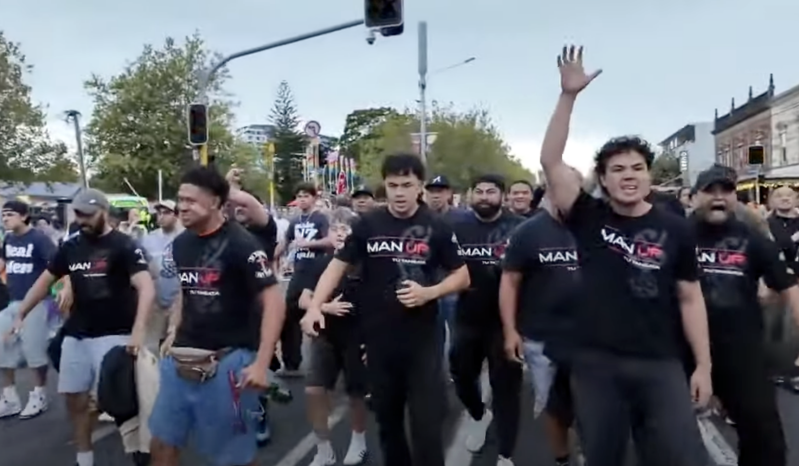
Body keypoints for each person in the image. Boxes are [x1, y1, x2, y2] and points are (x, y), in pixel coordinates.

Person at [539, 45, 711, 466]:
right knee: (603, 456)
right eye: (617, 170)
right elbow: (550, 160)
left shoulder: (676, 227)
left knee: (679, 455)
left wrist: (703, 366)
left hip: (660, 363)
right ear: (603, 179)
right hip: (596, 364)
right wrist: (568, 97)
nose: (628, 176)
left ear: (649, 175)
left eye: (636, 168)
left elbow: (690, 297)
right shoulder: (588, 216)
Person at [302, 153, 470, 466]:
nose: (400, 192)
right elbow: (337, 266)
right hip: (378, 339)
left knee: (425, 426)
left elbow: (462, 275)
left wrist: (429, 292)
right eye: (393, 185)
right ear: (385, 186)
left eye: (407, 184)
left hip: (422, 340)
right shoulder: (368, 224)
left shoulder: (436, 226)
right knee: (388, 423)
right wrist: (314, 307)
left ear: (420, 186)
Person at [5, 188, 155, 466]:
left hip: (116, 335)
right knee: (74, 399)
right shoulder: (71, 246)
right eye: (78, 213)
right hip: (77, 334)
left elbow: (145, 287)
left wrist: (138, 330)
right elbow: (46, 279)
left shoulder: (124, 245)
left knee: (121, 401)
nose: (81, 219)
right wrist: (22, 312)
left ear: (103, 212)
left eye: (88, 214)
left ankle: (139, 450)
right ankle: (84, 458)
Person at [149, 166, 284, 466]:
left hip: (229, 364)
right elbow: (187, 289)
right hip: (180, 362)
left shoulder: (242, 244)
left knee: (233, 457)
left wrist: (262, 364)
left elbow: (273, 301)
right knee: (161, 444)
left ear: (215, 203)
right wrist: (173, 328)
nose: (182, 206)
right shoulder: (182, 243)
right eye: (180, 199)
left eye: (191, 200)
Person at [688, 165, 799, 466]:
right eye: (710, 191)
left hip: (740, 351)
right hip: (681, 350)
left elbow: (789, 286)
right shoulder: (678, 235)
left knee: (766, 440)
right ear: (696, 196)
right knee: (668, 437)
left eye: (726, 191)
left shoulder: (753, 240)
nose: (719, 197)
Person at [500, 184, 581, 466]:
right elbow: (509, 282)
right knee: (553, 407)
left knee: (591, 406)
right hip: (540, 338)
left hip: (589, 339)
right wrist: (510, 331)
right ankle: (563, 458)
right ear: (547, 197)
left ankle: (587, 451)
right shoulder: (528, 232)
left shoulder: (597, 229)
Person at [448, 174, 523, 466]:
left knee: (506, 388)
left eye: (491, 191)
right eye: (478, 191)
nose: (484, 196)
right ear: (470, 195)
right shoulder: (457, 225)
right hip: (467, 316)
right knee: (461, 374)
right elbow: (442, 264)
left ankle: (506, 455)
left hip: (507, 321)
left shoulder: (518, 228)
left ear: (502, 196)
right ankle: (479, 415)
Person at [299, 207, 369, 466]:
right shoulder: (317, 263)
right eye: (335, 229)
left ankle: (359, 441)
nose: (340, 234)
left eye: (346, 229)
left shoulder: (367, 264)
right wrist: (324, 307)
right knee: (314, 389)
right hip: (324, 334)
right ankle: (323, 449)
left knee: (356, 393)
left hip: (357, 334)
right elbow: (303, 299)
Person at [0, 200, 57, 419]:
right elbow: (3, 262)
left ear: (24, 216)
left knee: (35, 351)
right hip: (12, 302)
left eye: (10, 214)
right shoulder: (9, 238)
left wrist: (61, 291)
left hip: (36, 303)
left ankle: (39, 394)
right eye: (3, 215)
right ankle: (10, 397)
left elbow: (57, 265)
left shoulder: (39, 239)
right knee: (2, 348)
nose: (5, 218)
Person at [274, 183, 332, 376]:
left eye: (306, 196)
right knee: (288, 314)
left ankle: (327, 363)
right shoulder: (294, 220)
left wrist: (309, 244)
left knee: (318, 311)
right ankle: (292, 362)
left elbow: (330, 240)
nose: (302, 199)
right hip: (299, 271)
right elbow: (285, 242)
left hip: (317, 271)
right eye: (299, 196)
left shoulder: (320, 218)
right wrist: (271, 257)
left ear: (314, 198)